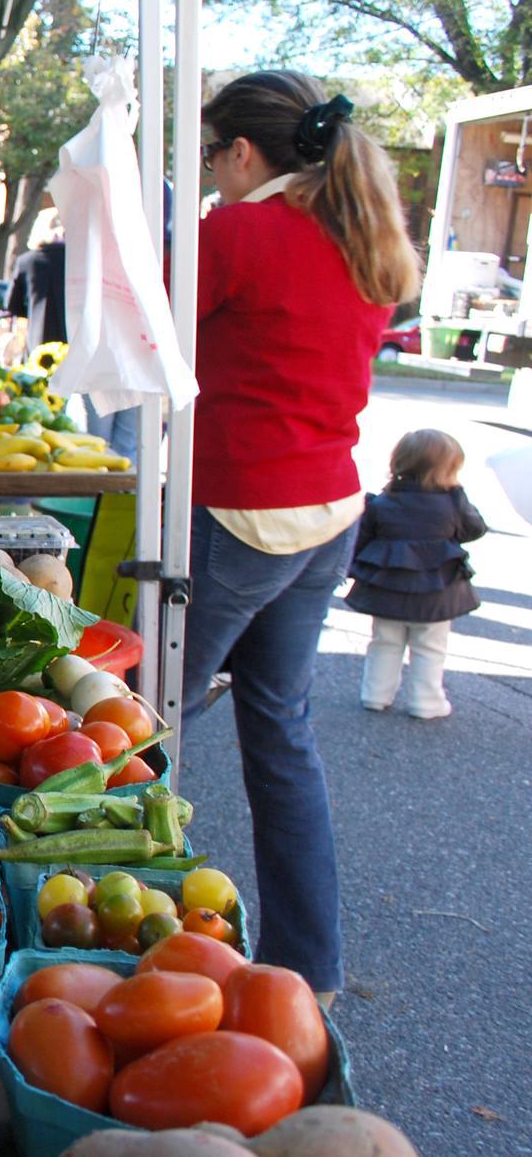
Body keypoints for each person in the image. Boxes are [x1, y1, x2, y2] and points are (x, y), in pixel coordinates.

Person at [181, 70, 419, 997]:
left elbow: (149, 335)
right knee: (280, 735)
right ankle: (308, 970)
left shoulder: (238, 233)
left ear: (243, 153)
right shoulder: (361, 240)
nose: (210, 173)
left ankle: (104, 937)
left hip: (241, 511)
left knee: (137, 730)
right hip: (328, 514)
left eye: (211, 155)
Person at [349, 429, 487, 720]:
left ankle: (375, 694)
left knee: (384, 642)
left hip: (386, 588)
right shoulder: (451, 503)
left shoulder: (381, 504)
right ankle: (426, 702)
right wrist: (459, 496)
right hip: (436, 591)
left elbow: (359, 542)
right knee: (429, 647)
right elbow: (474, 530)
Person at [4, 224, 68, 347]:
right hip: (72, 338)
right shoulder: (76, 261)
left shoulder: (25, 261)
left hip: (38, 339)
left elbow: (12, 305)